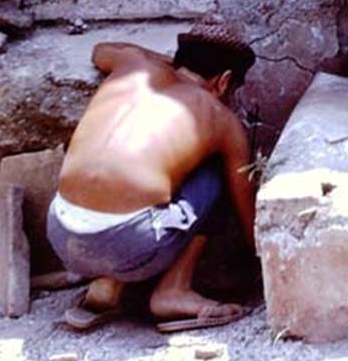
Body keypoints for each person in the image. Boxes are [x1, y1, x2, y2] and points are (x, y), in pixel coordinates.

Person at [46, 19, 257, 333]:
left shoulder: (134, 63)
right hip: (128, 247)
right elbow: (247, 215)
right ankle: (173, 290)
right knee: (215, 169)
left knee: (148, 176)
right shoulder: (221, 119)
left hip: (61, 235)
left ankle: (108, 286)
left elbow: (99, 50)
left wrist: (167, 61)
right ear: (224, 81)